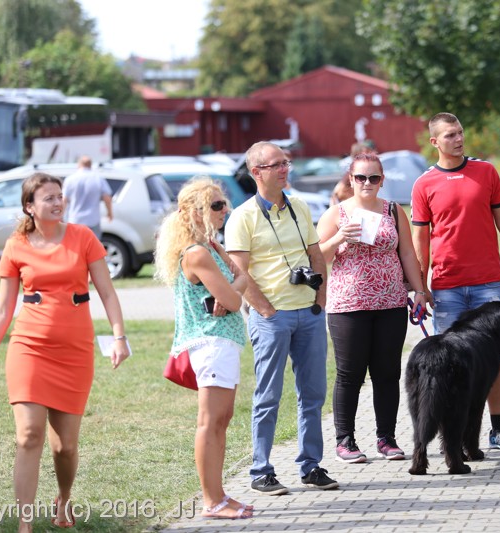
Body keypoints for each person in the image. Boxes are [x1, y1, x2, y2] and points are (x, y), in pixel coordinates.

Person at [0, 172, 130, 532]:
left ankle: (63, 498)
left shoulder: (83, 237)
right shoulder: (16, 245)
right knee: (28, 435)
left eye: (60, 196)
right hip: (29, 348)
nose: (58, 203)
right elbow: (3, 310)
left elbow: (107, 292)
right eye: (49, 198)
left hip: (74, 351)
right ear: (30, 206)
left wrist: (119, 336)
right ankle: (24, 524)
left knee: (65, 447)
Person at [411, 112, 500, 453]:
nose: (458, 139)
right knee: (449, 365)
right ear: (434, 142)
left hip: (488, 285)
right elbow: (420, 240)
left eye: (460, 132)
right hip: (447, 287)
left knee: (494, 359)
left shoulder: (486, 172)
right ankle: (452, 438)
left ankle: (498, 430)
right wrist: (421, 288)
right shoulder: (424, 184)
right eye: (450, 135)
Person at [224, 141, 338, 495]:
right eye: (276, 165)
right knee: (268, 396)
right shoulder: (242, 216)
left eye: (286, 162)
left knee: (313, 395)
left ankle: (311, 466)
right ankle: (261, 471)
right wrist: (265, 309)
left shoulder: (299, 206)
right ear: (256, 172)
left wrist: (320, 298)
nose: (285, 169)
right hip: (272, 319)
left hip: (309, 313)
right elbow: (239, 273)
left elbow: (315, 254)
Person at [317, 151, 427, 463]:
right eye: (361, 177)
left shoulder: (393, 210)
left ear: (382, 180)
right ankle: (345, 440)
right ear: (351, 180)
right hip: (348, 305)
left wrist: (420, 290)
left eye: (374, 177)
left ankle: (386, 438)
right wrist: (339, 237)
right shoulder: (336, 214)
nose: (367, 183)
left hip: (390, 302)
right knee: (350, 374)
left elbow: (407, 253)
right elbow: (317, 258)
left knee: (387, 373)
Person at [154, 179, 253, 519]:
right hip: (211, 343)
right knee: (210, 423)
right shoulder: (196, 254)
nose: (225, 210)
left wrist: (233, 285)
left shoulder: (209, 247)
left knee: (222, 420)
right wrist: (234, 289)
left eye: (224, 203)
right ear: (193, 211)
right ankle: (212, 501)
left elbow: (241, 278)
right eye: (216, 205)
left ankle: (220, 495)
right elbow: (234, 298)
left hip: (223, 342)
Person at [62, 156, 113, 239]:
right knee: (93, 245)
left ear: (79, 164)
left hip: (75, 220)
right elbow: (107, 198)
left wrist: (61, 216)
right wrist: (110, 213)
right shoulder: (98, 178)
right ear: (90, 165)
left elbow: (64, 199)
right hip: (93, 220)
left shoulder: (70, 179)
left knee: (77, 245)